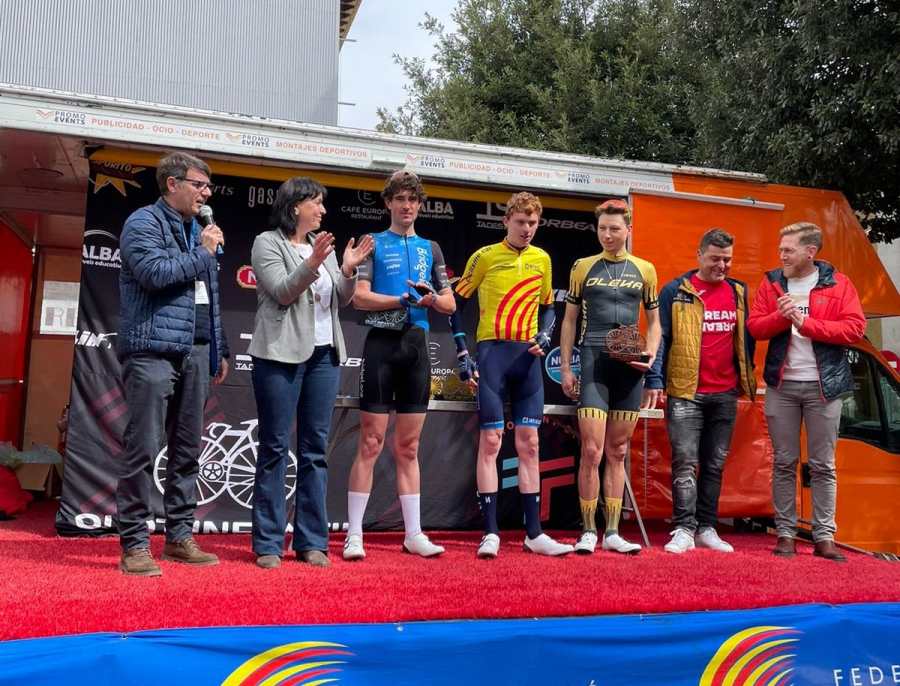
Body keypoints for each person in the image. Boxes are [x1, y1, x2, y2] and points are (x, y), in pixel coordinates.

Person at [249, 177, 372, 570]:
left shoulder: (323, 245)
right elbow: (282, 291)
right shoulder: (267, 242)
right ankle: (268, 544)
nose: (322, 210)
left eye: (322, 203)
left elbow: (341, 299)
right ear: (295, 206)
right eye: (315, 203)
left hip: (324, 356)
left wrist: (347, 271)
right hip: (280, 355)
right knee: (274, 448)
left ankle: (311, 542)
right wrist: (314, 262)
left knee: (315, 450)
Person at [116, 151, 229, 576]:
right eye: (199, 185)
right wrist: (203, 253)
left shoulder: (200, 230)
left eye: (208, 187)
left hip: (196, 351)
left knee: (187, 451)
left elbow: (208, 298)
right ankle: (134, 544)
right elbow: (155, 274)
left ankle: (179, 537)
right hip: (152, 351)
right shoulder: (142, 222)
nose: (206, 193)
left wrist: (219, 347)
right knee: (143, 448)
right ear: (172, 184)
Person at [452, 191, 574, 558]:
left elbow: (549, 307)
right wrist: (462, 351)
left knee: (530, 443)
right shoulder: (485, 256)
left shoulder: (542, 259)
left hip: (527, 359)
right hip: (493, 355)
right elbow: (455, 304)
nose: (527, 229)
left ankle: (534, 534)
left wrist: (545, 334)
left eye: (532, 223)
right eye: (520, 222)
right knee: (491, 442)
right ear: (506, 221)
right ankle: (490, 533)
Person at [343, 170, 455, 561]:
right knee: (370, 442)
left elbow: (449, 304)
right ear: (388, 203)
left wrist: (429, 299)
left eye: (413, 200)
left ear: (420, 205)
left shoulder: (431, 248)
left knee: (408, 446)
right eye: (400, 199)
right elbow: (359, 297)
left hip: (416, 348)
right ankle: (354, 534)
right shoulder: (374, 243)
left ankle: (414, 534)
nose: (407, 206)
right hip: (381, 345)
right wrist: (400, 301)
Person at [747, 222, 865, 562]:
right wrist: (783, 318)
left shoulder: (839, 283)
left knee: (823, 464)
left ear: (810, 252)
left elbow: (855, 329)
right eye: (781, 249)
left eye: (788, 249)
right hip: (782, 386)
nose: (781, 255)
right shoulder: (772, 282)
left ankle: (824, 536)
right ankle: (785, 534)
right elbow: (755, 326)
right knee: (784, 461)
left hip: (824, 387)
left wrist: (805, 323)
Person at [645, 228, 756, 554]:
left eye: (727, 259)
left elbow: (746, 339)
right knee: (684, 461)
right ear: (699, 255)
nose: (722, 266)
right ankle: (684, 528)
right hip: (685, 391)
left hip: (725, 392)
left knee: (714, 464)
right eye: (715, 259)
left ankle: (707, 527)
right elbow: (660, 337)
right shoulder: (675, 290)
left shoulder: (738, 291)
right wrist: (655, 379)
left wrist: (745, 376)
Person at [560, 199, 660, 555]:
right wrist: (567, 367)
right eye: (602, 228)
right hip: (593, 360)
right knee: (592, 449)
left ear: (628, 230)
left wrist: (650, 358)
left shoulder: (645, 269)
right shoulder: (582, 266)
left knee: (618, 451)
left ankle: (613, 532)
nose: (607, 235)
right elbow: (569, 320)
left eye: (614, 229)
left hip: (629, 365)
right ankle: (588, 530)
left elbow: (655, 323)